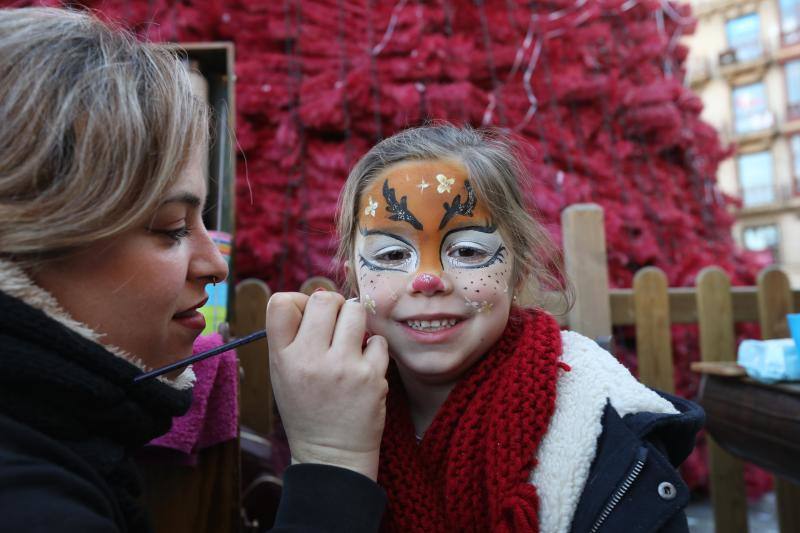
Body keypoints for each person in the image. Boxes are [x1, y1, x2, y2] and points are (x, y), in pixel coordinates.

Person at [0, 8, 387, 533]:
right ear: (24, 240)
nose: (215, 264)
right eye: (169, 228)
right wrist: (331, 461)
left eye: (201, 221)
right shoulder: (30, 502)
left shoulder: (53, 433)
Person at [322, 123, 704, 532]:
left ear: (517, 273)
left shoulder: (609, 434)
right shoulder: (322, 408)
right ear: (354, 278)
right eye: (393, 254)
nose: (428, 279)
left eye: (468, 250)